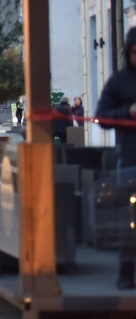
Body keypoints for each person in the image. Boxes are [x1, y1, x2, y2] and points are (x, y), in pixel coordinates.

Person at [95, 27, 136, 289]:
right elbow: (102, 116)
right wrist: (128, 112)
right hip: (131, 158)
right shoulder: (119, 82)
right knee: (128, 219)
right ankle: (126, 272)